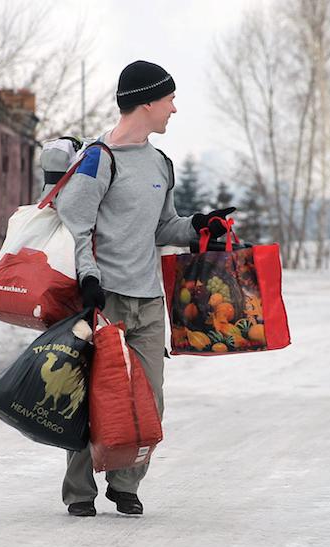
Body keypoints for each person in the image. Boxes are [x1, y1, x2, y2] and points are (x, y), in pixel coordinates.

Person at [56, 60, 235, 516]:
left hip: (149, 300)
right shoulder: (99, 158)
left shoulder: (160, 163)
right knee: (96, 397)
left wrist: (199, 226)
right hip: (104, 297)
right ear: (147, 102)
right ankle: (80, 491)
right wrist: (88, 278)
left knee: (149, 398)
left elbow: (162, 227)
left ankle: (125, 483)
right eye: (170, 99)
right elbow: (76, 225)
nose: (174, 109)